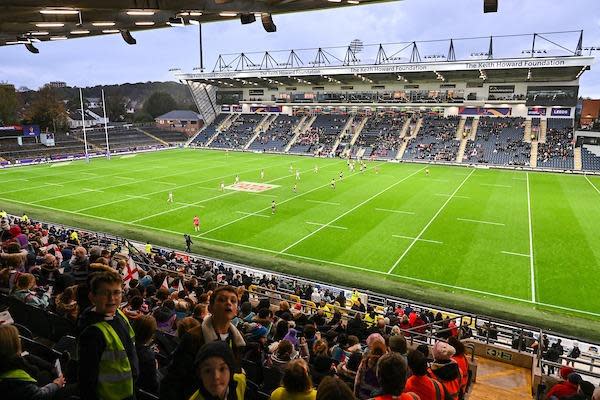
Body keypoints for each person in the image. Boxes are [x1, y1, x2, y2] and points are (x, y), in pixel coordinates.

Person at [160, 286, 246, 400]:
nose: (228, 303)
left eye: (233, 301)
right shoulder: (193, 337)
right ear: (210, 308)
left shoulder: (238, 343)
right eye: (222, 300)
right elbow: (173, 380)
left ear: (236, 311)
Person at [77, 271, 138, 400]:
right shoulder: (93, 334)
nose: (112, 298)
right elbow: (87, 379)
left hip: (128, 390)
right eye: (105, 293)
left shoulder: (118, 313)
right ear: (92, 297)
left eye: (116, 292)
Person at [0, 324, 66, 400]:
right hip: (44, 390)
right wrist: (56, 385)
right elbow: (39, 395)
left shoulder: (9, 360)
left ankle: (53, 368)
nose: (20, 339)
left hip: (39, 381)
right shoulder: (15, 382)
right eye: (16, 337)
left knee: (32, 359)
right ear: (10, 346)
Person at [134, 315, 160, 395]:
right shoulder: (148, 357)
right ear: (151, 334)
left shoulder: (126, 343)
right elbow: (153, 385)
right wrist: (155, 368)